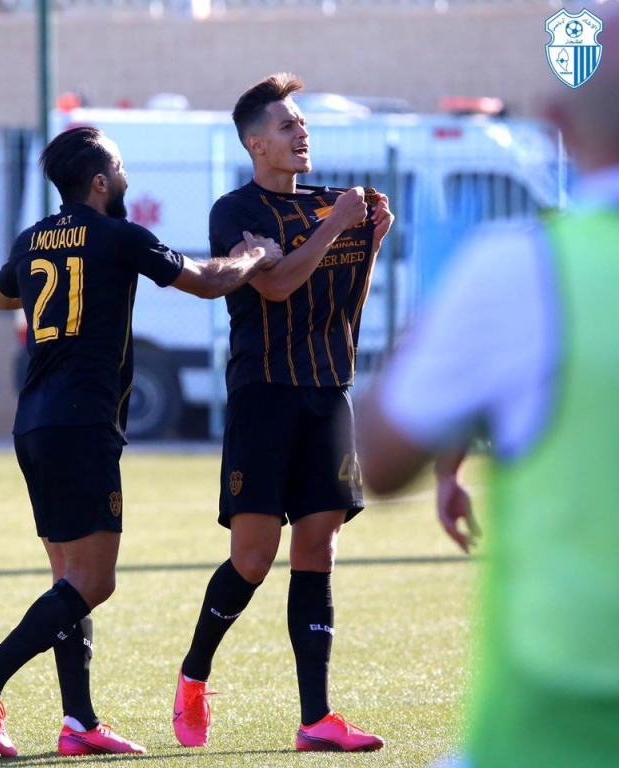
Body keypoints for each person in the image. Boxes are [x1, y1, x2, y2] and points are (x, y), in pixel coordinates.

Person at [0, 125, 282, 758]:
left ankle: (79, 722)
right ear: (100, 182)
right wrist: (256, 256)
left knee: (68, 580)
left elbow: (2, 294)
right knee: (94, 583)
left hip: (34, 422)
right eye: (120, 169)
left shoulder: (31, 237)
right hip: (82, 424)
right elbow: (208, 280)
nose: (126, 178)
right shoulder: (119, 236)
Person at [357, 10, 619, 768]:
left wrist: (439, 320)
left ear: (557, 121)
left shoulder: (520, 269)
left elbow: (379, 457)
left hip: (553, 730)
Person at [173, 72, 394, 752]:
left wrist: (371, 239)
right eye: (288, 125)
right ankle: (194, 675)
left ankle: (316, 719)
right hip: (264, 396)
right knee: (252, 558)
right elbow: (276, 287)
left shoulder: (334, 204)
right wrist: (336, 226)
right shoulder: (235, 211)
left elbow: (345, 305)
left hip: (329, 396)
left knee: (317, 550)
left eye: (302, 123)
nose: (302, 133)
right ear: (256, 144)